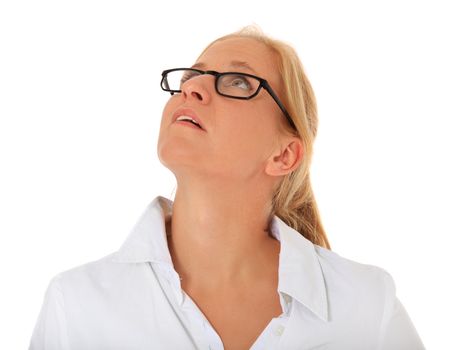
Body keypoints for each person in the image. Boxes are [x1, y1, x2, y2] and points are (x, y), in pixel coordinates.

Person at [29, 26, 425, 350]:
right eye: (191, 76)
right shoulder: (77, 307)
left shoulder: (366, 306)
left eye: (237, 81)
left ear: (284, 155)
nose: (193, 88)